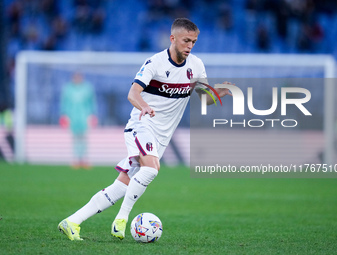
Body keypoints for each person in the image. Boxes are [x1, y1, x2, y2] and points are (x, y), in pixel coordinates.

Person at [58, 18, 232, 241]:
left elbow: (204, 98)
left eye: (194, 42)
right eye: (186, 40)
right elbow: (132, 94)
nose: (190, 46)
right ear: (173, 39)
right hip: (141, 125)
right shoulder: (155, 63)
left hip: (161, 137)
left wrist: (218, 93)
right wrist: (145, 106)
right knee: (151, 169)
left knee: (121, 186)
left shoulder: (196, 65)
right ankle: (121, 220)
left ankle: (72, 221)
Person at [59, 72, 97, 169]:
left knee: (83, 138)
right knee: (75, 138)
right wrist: (64, 115)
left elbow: (92, 102)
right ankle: (76, 159)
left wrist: (93, 114)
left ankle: (84, 159)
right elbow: (64, 102)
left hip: (84, 116)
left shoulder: (87, 88)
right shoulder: (68, 89)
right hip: (72, 116)